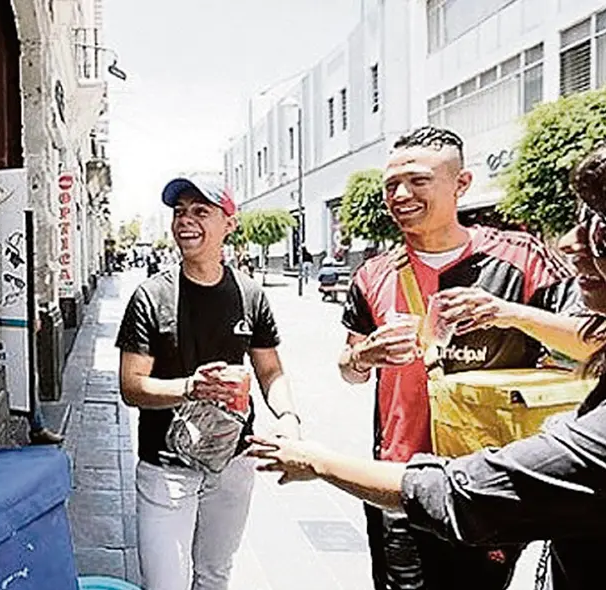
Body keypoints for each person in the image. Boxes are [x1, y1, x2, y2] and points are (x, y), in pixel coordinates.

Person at [248, 143, 606, 590]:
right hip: (393, 474)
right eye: (391, 185)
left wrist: (508, 313)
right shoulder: (374, 272)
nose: (401, 194)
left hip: (490, 476)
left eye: (418, 180)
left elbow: (592, 340)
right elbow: (348, 368)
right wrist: (364, 356)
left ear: (461, 184)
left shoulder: (524, 257)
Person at [115, 175, 301, 590]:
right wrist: (190, 387)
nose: (186, 220)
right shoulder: (150, 296)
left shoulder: (250, 295)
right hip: (166, 467)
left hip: (234, 463)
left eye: (200, 211)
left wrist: (287, 415)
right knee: (166, 583)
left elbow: (270, 370)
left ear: (228, 224)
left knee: (214, 576)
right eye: (180, 212)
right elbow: (131, 386)